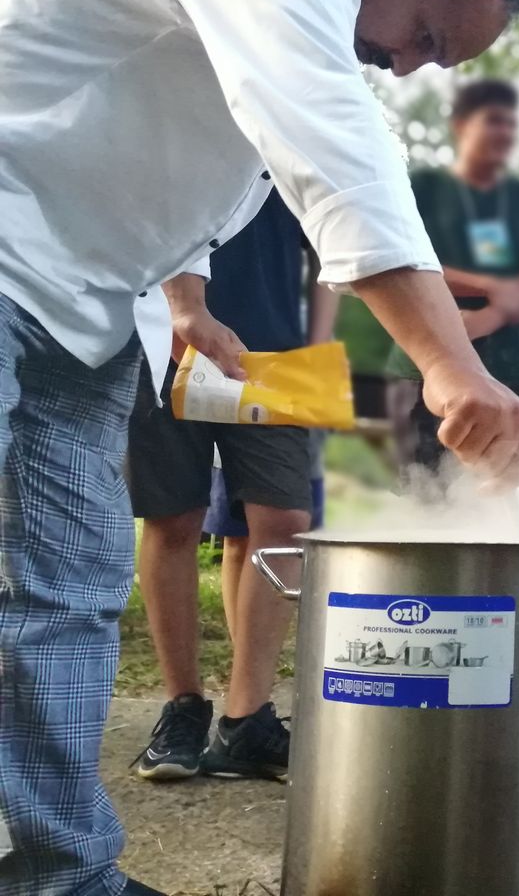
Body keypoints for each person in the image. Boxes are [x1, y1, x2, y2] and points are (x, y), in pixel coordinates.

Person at [0, 0, 519, 896]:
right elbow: (322, 137)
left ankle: (58, 878)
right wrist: (446, 362)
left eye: (439, 60)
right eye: (428, 37)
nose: (414, 67)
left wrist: (185, 296)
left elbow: (174, 149)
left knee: (66, 598)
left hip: (93, 303)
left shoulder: (302, 0)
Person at [127, 192, 335, 783]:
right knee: (173, 519)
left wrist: (317, 344)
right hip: (161, 342)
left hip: (275, 356)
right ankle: (182, 710)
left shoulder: (292, 125)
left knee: (285, 522)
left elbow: (326, 246)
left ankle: (246, 721)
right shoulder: (174, 117)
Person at [387, 78, 519, 484]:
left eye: (512, 124)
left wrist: (489, 317)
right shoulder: (424, 188)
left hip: (513, 370)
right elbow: (403, 265)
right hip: (423, 372)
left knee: (508, 493)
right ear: (462, 125)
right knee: (424, 497)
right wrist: (494, 287)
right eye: (494, 120)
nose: (506, 132)